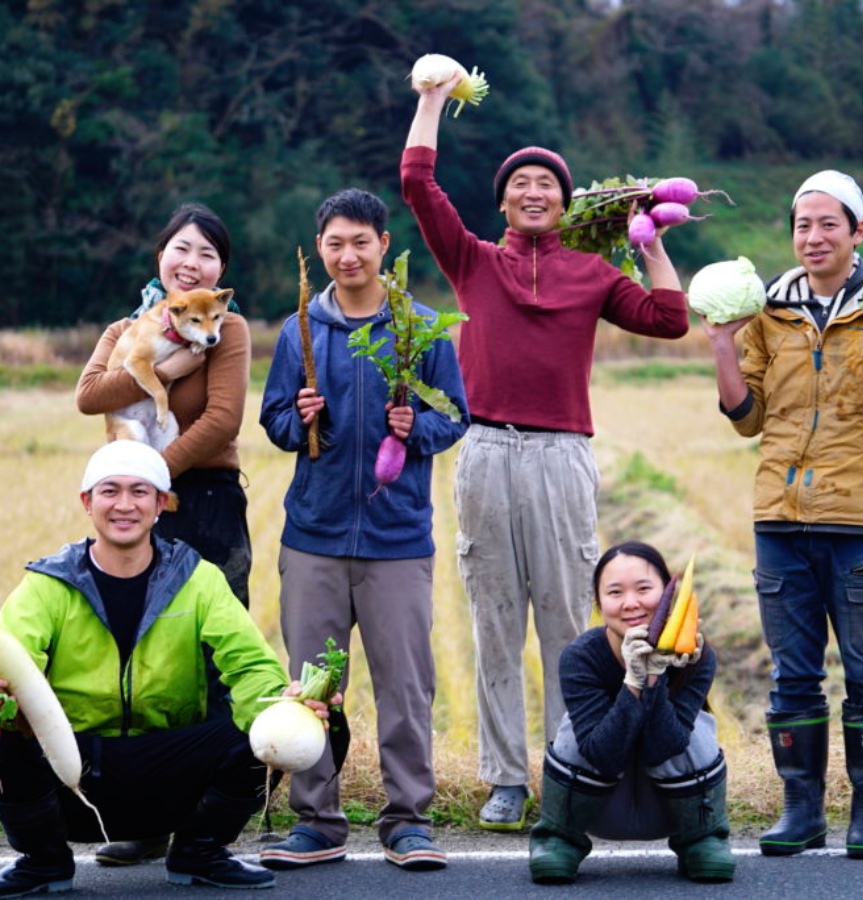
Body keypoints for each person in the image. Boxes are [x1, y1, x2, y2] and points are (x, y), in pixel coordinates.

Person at [402, 74, 690, 830]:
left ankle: (576, 768)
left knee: (569, 620)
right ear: (502, 202)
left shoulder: (592, 274)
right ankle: (504, 778)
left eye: (547, 185)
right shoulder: (473, 262)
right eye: (520, 184)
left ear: (566, 204)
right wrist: (433, 98)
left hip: (564, 456)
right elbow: (417, 183)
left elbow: (668, 319)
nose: (533, 193)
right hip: (487, 451)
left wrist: (650, 240)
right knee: (494, 619)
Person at [0, 440, 335, 896]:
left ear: (162, 503)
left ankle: (200, 849)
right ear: (87, 502)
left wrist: (287, 708)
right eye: (109, 491)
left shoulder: (198, 580)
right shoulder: (47, 585)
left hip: (169, 771)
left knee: (293, 725)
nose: (124, 505)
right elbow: (13, 665)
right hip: (70, 775)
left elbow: (250, 666)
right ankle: (44, 861)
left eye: (140, 492)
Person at [257, 188, 469, 871]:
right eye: (334, 243)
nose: (347, 255)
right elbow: (275, 423)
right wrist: (302, 414)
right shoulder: (299, 330)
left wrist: (419, 429)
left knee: (404, 685)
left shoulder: (420, 327)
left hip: (397, 539)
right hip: (313, 535)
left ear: (383, 244)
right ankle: (317, 821)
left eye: (360, 242)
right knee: (311, 687)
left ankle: (408, 817)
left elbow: (456, 415)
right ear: (320, 250)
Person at [699, 170, 863, 859]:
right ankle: (802, 809)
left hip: (862, 521)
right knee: (793, 674)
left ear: (858, 233)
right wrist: (722, 344)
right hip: (780, 519)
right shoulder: (769, 310)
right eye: (802, 225)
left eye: (828, 224)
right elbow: (746, 420)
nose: (813, 237)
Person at [75, 202, 254, 866]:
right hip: (138, 504)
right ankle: (146, 819)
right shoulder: (129, 327)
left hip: (202, 501)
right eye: (183, 248)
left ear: (220, 271)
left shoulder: (227, 328)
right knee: (144, 663)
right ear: (161, 257)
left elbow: (224, 419)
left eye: (208, 253)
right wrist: (166, 367)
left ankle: (207, 831)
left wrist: (149, 476)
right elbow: (90, 395)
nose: (192, 261)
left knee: (212, 662)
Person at [528, 541, 736, 885]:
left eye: (644, 589)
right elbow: (602, 756)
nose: (630, 603)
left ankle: (703, 839)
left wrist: (654, 677)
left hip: (670, 806)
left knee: (696, 728)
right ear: (599, 602)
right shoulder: (580, 657)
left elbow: (663, 747)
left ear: (668, 594)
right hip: (598, 805)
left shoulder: (697, 655)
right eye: (614, 592)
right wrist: (633, 680)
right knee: (574, 730)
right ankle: (557, 838)